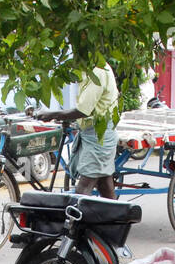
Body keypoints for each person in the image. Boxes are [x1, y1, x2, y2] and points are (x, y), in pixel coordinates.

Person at [37, 62, 120, 199]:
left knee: (82, 190)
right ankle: (117, 218)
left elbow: (83, 110)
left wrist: (52, 114)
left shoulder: (98, 71)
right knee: (105, 186)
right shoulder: (88, 68)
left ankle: (73, 220)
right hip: (93, 132)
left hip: (99, 135)